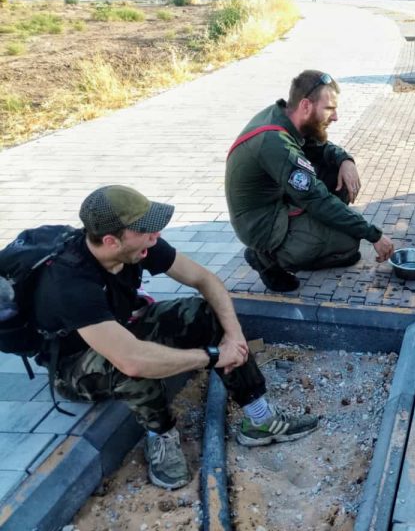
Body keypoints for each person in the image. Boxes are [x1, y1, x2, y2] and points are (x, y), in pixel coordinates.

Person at [33, 185, 319, 490]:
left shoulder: (139, 244)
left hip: (121, 329)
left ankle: (259, 418)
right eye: (145, 230)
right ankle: (161, 436)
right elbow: (132, 361)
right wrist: (213, 355)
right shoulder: (70, 284)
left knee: (205, 313)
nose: (155, 236)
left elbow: (205, 279)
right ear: (111, 241)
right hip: (74, 365)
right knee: (131, 366)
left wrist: (233, 336)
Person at [225, 70, 394, 292]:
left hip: (278, 200)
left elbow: (321, 147)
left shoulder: (286, 116)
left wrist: (345, 160)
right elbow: (317, 200)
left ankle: (317, 239)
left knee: (335, 171)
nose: (335, 117)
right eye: (329, 109)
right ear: (306, 106)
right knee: (349, 243)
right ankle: (268, 260)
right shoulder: (276, 143)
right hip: (261, 224)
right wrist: (374, 234)